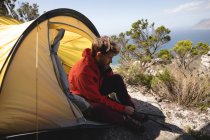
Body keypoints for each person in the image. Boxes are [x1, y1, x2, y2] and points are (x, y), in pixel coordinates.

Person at [68, 36, 147, 132]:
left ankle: (132, 111)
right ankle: (125, 120)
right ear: (99, 54)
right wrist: (122, 109)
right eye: (110, 57)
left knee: (116, 79)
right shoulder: (83, 72)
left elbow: (111, 78)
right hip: (86, 99)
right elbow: (98, 99)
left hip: (95, 89)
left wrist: (127, 102)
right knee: (101, 110)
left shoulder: (100, 63)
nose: (111, 60)